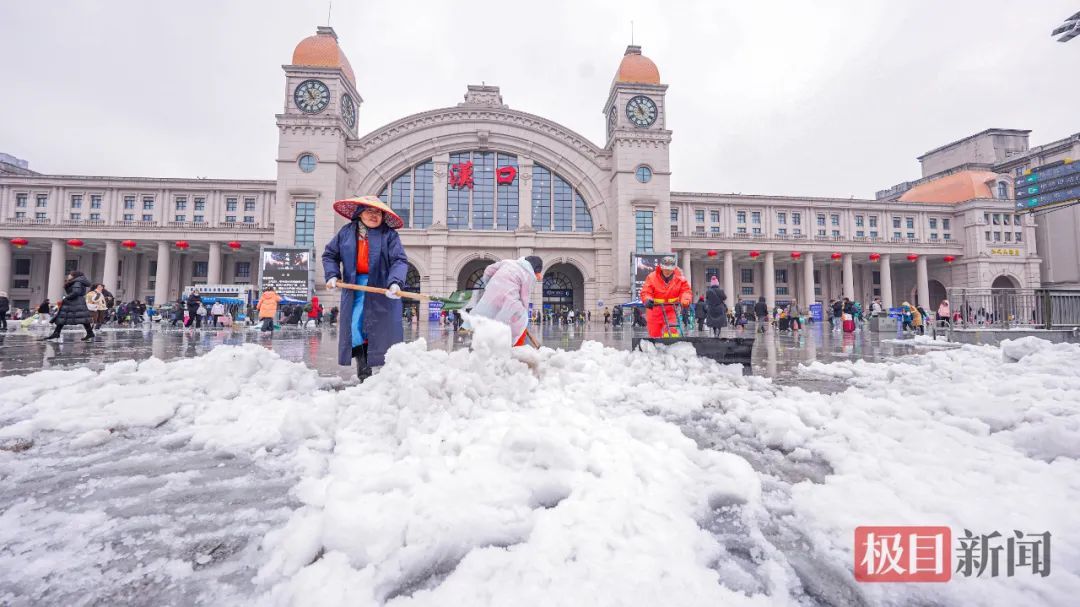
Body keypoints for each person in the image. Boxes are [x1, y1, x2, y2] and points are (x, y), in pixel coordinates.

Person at [323, 195, 409, 381]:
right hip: (354, 287)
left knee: (379, 329)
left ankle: (384, 371)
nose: (374, 215)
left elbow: (399, 260)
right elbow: (330, 255)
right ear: (360, 213)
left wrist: (395, 282)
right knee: (355, 326)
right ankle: (364, 370)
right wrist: (332, 275)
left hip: (381, 288)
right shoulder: (346, 232)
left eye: (378, 212)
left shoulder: (389, 235)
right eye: (369, 211)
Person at [468, 256, 544, 346]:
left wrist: (488, 283)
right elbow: (525, 297)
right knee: (519, 324)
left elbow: (488, 270)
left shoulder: (508, 262)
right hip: (509, 300)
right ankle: (515, 347)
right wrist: (524, 314)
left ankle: (487, 344)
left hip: (492, 297)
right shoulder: (528, 274)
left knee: (491, 321)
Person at [640, 256, 692, 338]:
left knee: (672, 332)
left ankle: (672, 347)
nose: (667, 271)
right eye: (666, 269)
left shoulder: (680, 279)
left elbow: (685, 291)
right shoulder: (652, 277)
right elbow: (646, 291)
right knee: (654, 333)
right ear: (661, 267)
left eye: (670, 269)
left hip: (671, 310)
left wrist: (685, 300)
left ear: (673, 269)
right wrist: (647, 299)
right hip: (654, 310)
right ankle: (656, 348)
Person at [42, 270, 95, 341]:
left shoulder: (77, 282)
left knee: (66, 317)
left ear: (74, 276)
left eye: (70, 274)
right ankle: (56, 333)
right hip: (75, 302)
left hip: (74, 302)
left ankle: (56, 333)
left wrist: (66, 298)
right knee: (73, 317)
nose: (68, 275)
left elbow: (76, 292)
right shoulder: (77, 282)